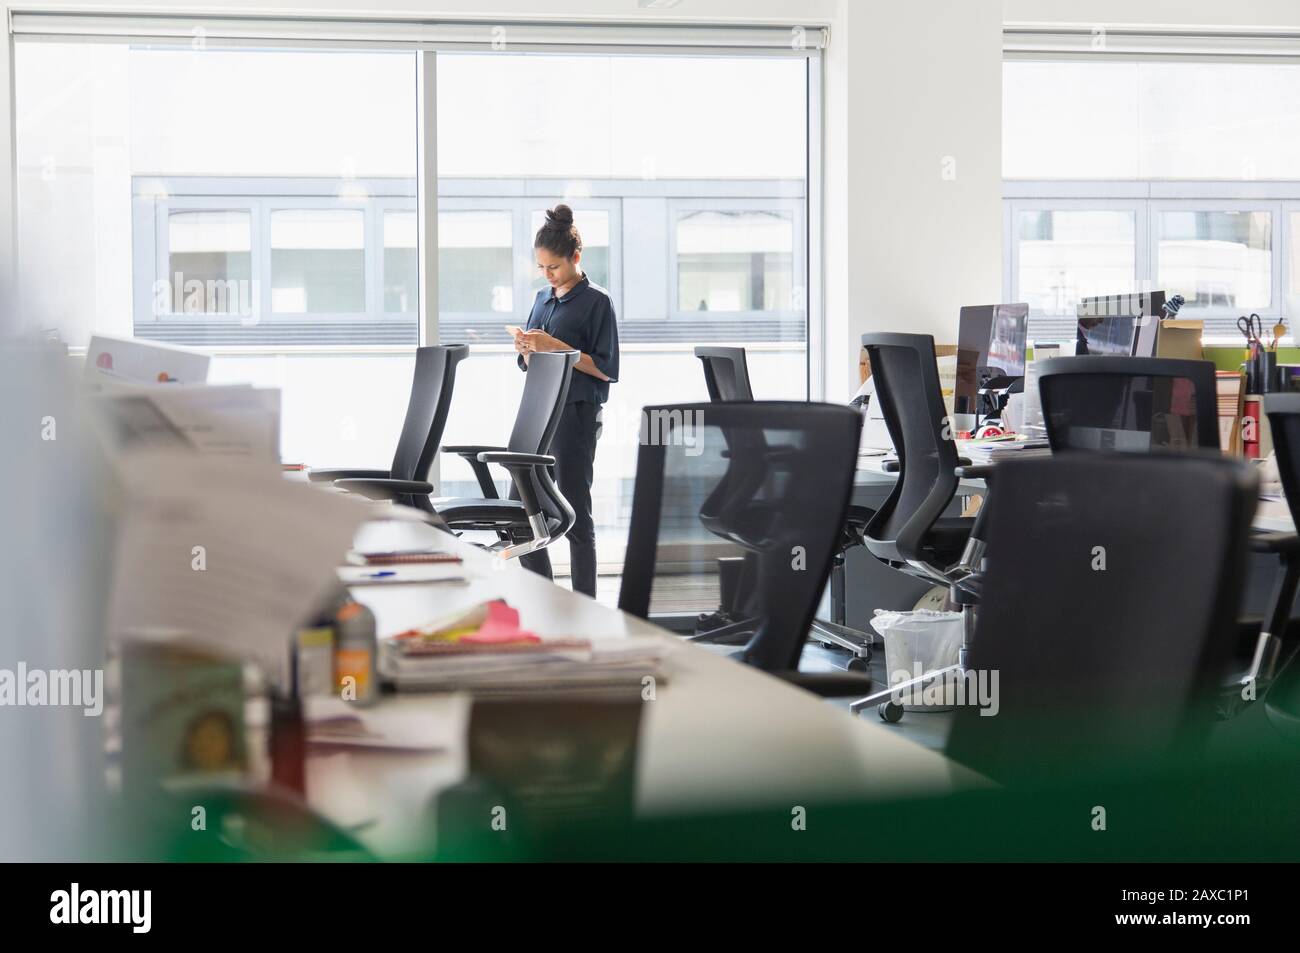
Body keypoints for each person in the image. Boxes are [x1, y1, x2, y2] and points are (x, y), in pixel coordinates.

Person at [511, 205, 619, 597]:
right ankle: (545, 597)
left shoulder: (597, 302)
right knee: (520, 513)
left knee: (574, 515)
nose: (547, 274)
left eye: (553, 267)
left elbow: (605, 369)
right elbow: (529, 363)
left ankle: (585, 605)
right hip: (540, 416)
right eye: (541, 267)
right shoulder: (542, 298)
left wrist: (555, 345)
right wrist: (526, 349)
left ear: (575, 257)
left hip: (576, 416)